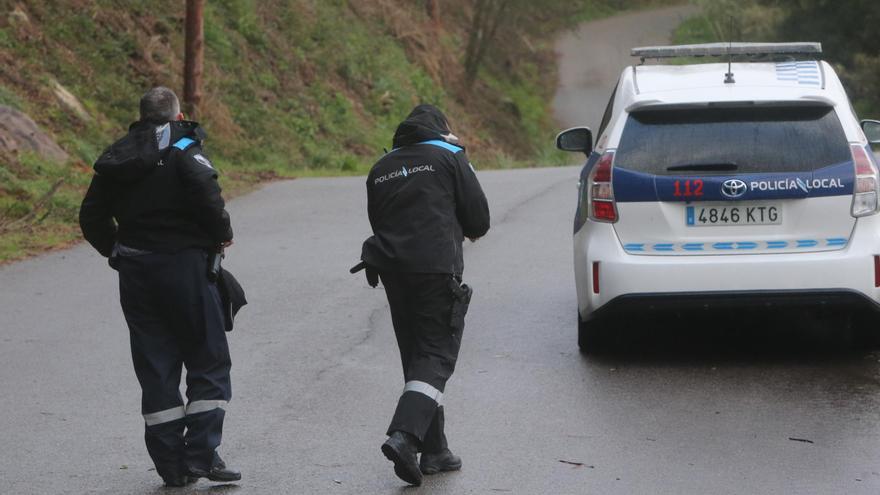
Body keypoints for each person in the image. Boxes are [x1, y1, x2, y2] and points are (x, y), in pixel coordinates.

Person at [79, 87, 241, 487]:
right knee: (208, 359)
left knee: (156, 366)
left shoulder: (119, 154)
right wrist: (222, 233)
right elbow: (206, 193)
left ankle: (172, 465)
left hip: (136, 273)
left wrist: (115, 251)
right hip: (185, 266)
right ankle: (201, 454)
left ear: (140, 115)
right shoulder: (184, 147)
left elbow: (91, 216)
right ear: (177, 114)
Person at [356, 104, 490, 486]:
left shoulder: (381, 166)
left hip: (393, 271)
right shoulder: (449, 155)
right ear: (442, 129)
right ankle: (405, 436)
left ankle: (435, 450)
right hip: (435, 269)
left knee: (417, 356)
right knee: (435, 354)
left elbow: (377, 221)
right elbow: (479, 219)